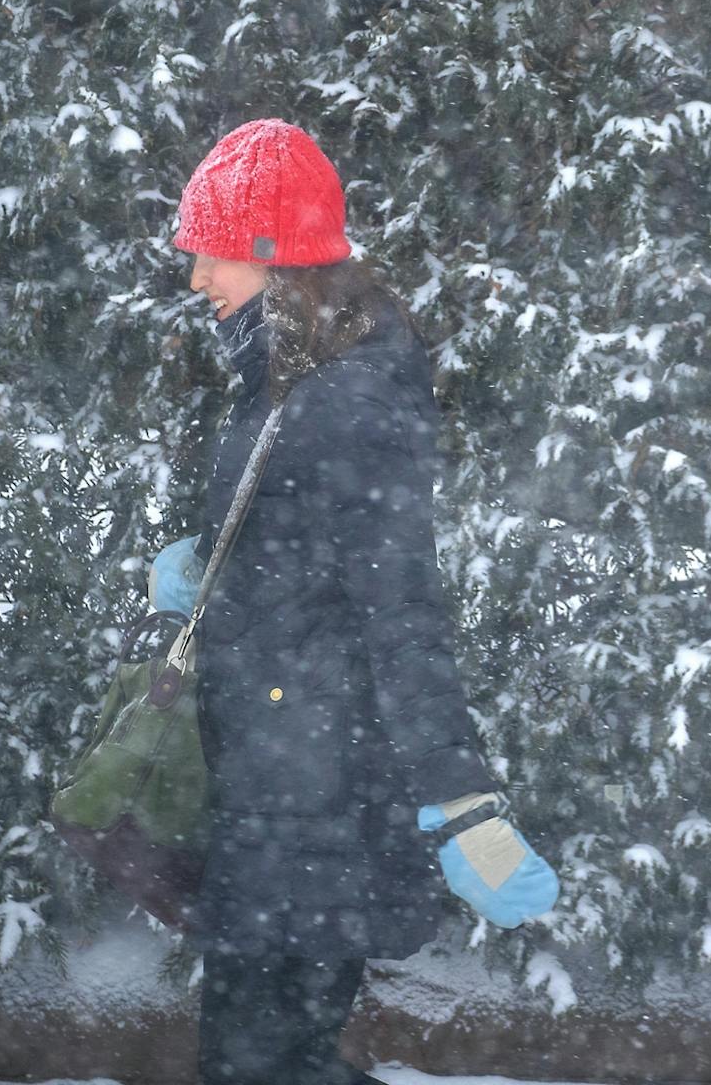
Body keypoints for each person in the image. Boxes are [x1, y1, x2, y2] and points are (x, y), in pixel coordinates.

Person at [158, 118, 558, 1085]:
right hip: (277, 787)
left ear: (270, 258)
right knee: (263, 1059)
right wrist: (215, 573)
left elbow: (401, 612)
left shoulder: (342, 403)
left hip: (314, 807)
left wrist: (461, 800)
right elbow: (310, 565)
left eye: (212, 254)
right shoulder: (288, 381)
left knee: (260, 1063)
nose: (198, 278)